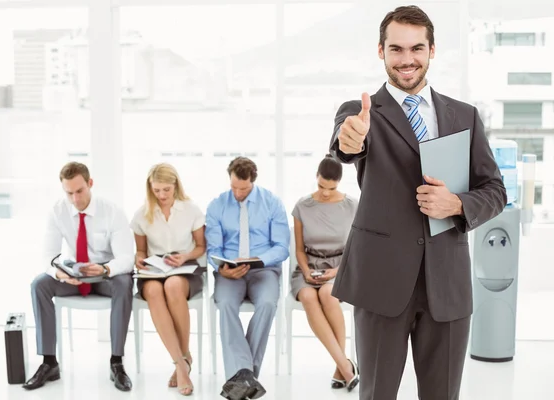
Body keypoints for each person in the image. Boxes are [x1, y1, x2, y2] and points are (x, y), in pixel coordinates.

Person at [329, 6, 507, 400]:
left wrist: (456, 204)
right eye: (396, 49)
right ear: (381, 51)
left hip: (447, 282)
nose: (406, 60)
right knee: (377, 394)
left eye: (416, 48)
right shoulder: (360, 113)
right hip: (381, 281)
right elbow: (345, 145)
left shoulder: (464, 116)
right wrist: (350, 139)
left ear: (431, 50)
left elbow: (495, 190)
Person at [24, 162, 134, 392]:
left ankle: (116, 362)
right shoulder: (57, 211)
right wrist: (59, 273)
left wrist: (105, 270)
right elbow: (48, 256)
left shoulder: (112, 211)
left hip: (106, 276)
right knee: (39, 284)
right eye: (69, 193)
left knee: (125, 282)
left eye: (79, 191)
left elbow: (126, 258)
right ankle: (49, 362)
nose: (75, 198)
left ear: (90, 183)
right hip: (75, 275)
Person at [205, 157, 289, 400]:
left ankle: (241, 376)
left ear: (253, 181)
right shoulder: (217, 205)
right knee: (225, 304)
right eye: (234, 187)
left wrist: (259, 260)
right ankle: (248, 377)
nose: (238, 193)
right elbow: (213, 248)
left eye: (243, 188)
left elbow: (282, 246)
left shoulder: (272, 203)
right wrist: (222, 269)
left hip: (264, 270)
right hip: (230, 273)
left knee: (267, 304)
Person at [131, 163, 206, 396]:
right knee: (153, 292)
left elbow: (201, 247)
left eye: (166, 190)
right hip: (154, 270)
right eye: (156, 190)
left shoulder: (191, 209)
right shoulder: (142, 214)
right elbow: (141, 251)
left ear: (176, 186)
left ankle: (182, 359)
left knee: (173, 286)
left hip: (184, 268)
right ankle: (181, 363)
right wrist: (140, 259)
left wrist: (184, 256)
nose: (162, 195)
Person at [290, 155, 360, 391]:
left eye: (332, 188)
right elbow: (299, 249)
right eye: (321, 186)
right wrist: (308, 271)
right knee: (310, 297)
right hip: (308, 265)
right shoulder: (302, 206)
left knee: (328, 295)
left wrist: (336, 271)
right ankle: (345, 365)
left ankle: (342, 368)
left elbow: (357, 248)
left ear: (339, 182)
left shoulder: (352, 206)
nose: (326, 193)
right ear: (316, 179)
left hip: (341, 265)